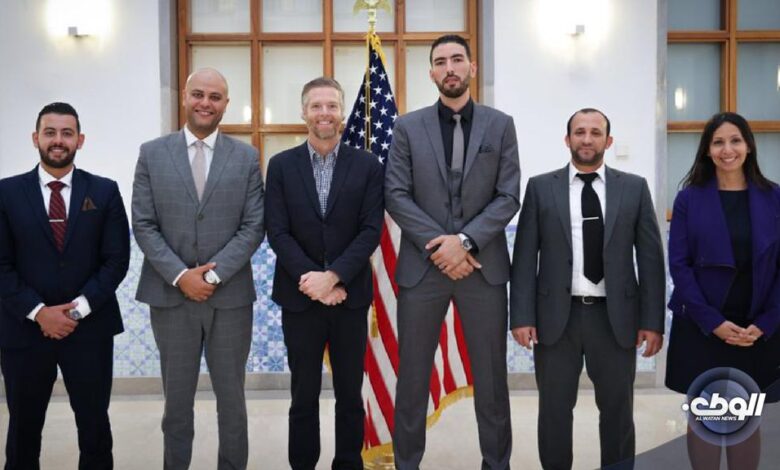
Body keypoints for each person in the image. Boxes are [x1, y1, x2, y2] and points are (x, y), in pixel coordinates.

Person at [385, 34, 520, 469]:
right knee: (412, 378)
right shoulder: (407, 127)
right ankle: (407, 463)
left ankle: (496, 463)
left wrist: (463, 242)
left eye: (457, 59)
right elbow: (396, 194)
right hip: (423, 269)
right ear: (431, 73)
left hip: (483, 268)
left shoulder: (500, 125)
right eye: (441, 61)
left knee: (491, 378)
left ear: (471, 68)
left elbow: (508, 195)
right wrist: (443, 246)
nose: (450, 68)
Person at [510, 108, 666, 469]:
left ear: (608, 141)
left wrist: (652, 322)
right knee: (554, 412)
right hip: (555, 320)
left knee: (617, 413)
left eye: (596, 133)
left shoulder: (634, 188)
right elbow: (524, 257)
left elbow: (650, 260)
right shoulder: (540, 187)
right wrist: (521, 316)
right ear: (567, 139)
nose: (587, 139)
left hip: (615, 319)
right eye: (579, 132)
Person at [132, 68, 265, 470]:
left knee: (232, 403)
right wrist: (181, 276)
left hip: (229, 298)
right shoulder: (152, 153)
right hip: (170, 297)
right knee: (176, 405)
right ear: (185, 97)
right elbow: (144, 224)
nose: (205, 103)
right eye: (198, 94)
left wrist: (210, 276)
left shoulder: (246, 157)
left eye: (215, 97)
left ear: (226, 104)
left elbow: (253, 225)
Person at [0, 102, 130, 469]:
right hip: (24, 331)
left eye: (67, 133)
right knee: (23, 429)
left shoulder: (104, 191)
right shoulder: (6, 193)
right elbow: (2, 265)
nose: (58, 140)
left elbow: (116, 260)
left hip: (89, 329)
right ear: (35, 138)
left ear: (80, 140)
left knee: (94, 427)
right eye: (50, 132)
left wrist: (75, 311)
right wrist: (39, 312)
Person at [264, 77, 383, 470]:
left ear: (342, 113)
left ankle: (348, 463)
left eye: (332, 105)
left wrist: (333, 278)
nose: (324, 113)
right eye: (316, 106)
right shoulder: (281, 166)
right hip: (300, 299)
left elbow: (370, 230)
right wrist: (313, 282)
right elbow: (277, 231)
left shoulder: (367, 166)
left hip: (350, 298)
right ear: (304, 113)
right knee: (303, 396)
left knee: (350, 395)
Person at [666, 112, 780, 470]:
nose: (727, 149)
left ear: (749, 146)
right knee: (705, 419)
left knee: (745, 419)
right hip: (703, 325)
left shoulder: (774, 197)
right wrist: (712, 322)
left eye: (735, 140)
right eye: (718, 142)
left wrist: (766, 323)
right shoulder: (689, 199)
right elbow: (680, 266)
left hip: (754, 326)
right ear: (707, 150)